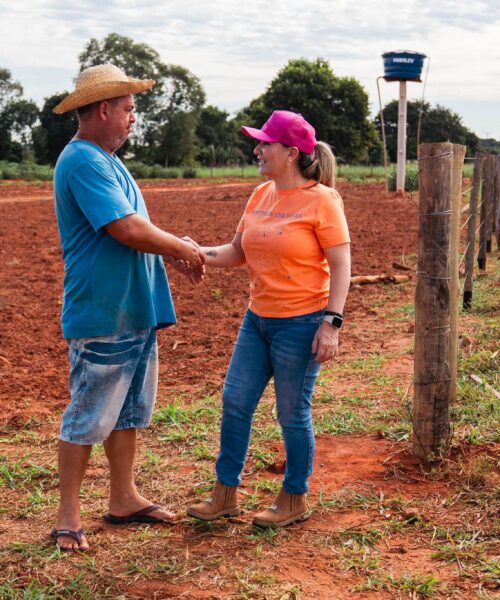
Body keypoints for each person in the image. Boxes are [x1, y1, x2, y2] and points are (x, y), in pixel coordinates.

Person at [51, 64, 205, 551]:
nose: (132, 118)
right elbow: (126, 229)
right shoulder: (83, 161)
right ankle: (67, 516)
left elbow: (138, 229)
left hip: (131, 309)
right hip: (103, 311)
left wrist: (172, 248)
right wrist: (180, 248)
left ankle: (123, 497)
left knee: (127, 413)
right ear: (103, 109)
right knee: (88, 414)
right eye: (128, 108)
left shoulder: (105, 159)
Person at [186, 110, 351, 527]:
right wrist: (192, 251)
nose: (257, 149)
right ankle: (225, 493)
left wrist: (331, 323)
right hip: (257, 319)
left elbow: (341, 263)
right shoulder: (261, 194)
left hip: (302, 322)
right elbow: (236, 252)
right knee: (235, 402)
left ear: (291, 153)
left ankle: (294, 496)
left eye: (265, 143)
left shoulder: (322, 200)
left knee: (292, 412)